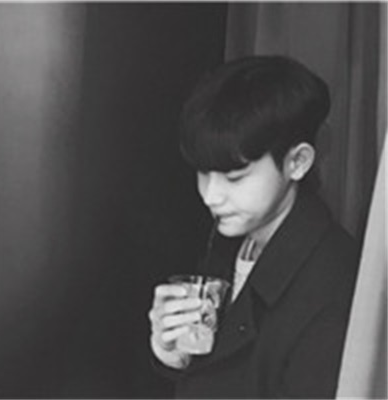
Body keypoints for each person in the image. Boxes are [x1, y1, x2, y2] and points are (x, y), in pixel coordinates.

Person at [148, 55, 360, 398]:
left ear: (297, 162)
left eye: (235, 177)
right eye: (203, 172)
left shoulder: (335, 284)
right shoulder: (232, 237)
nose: (211, 196)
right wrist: (172, 355)